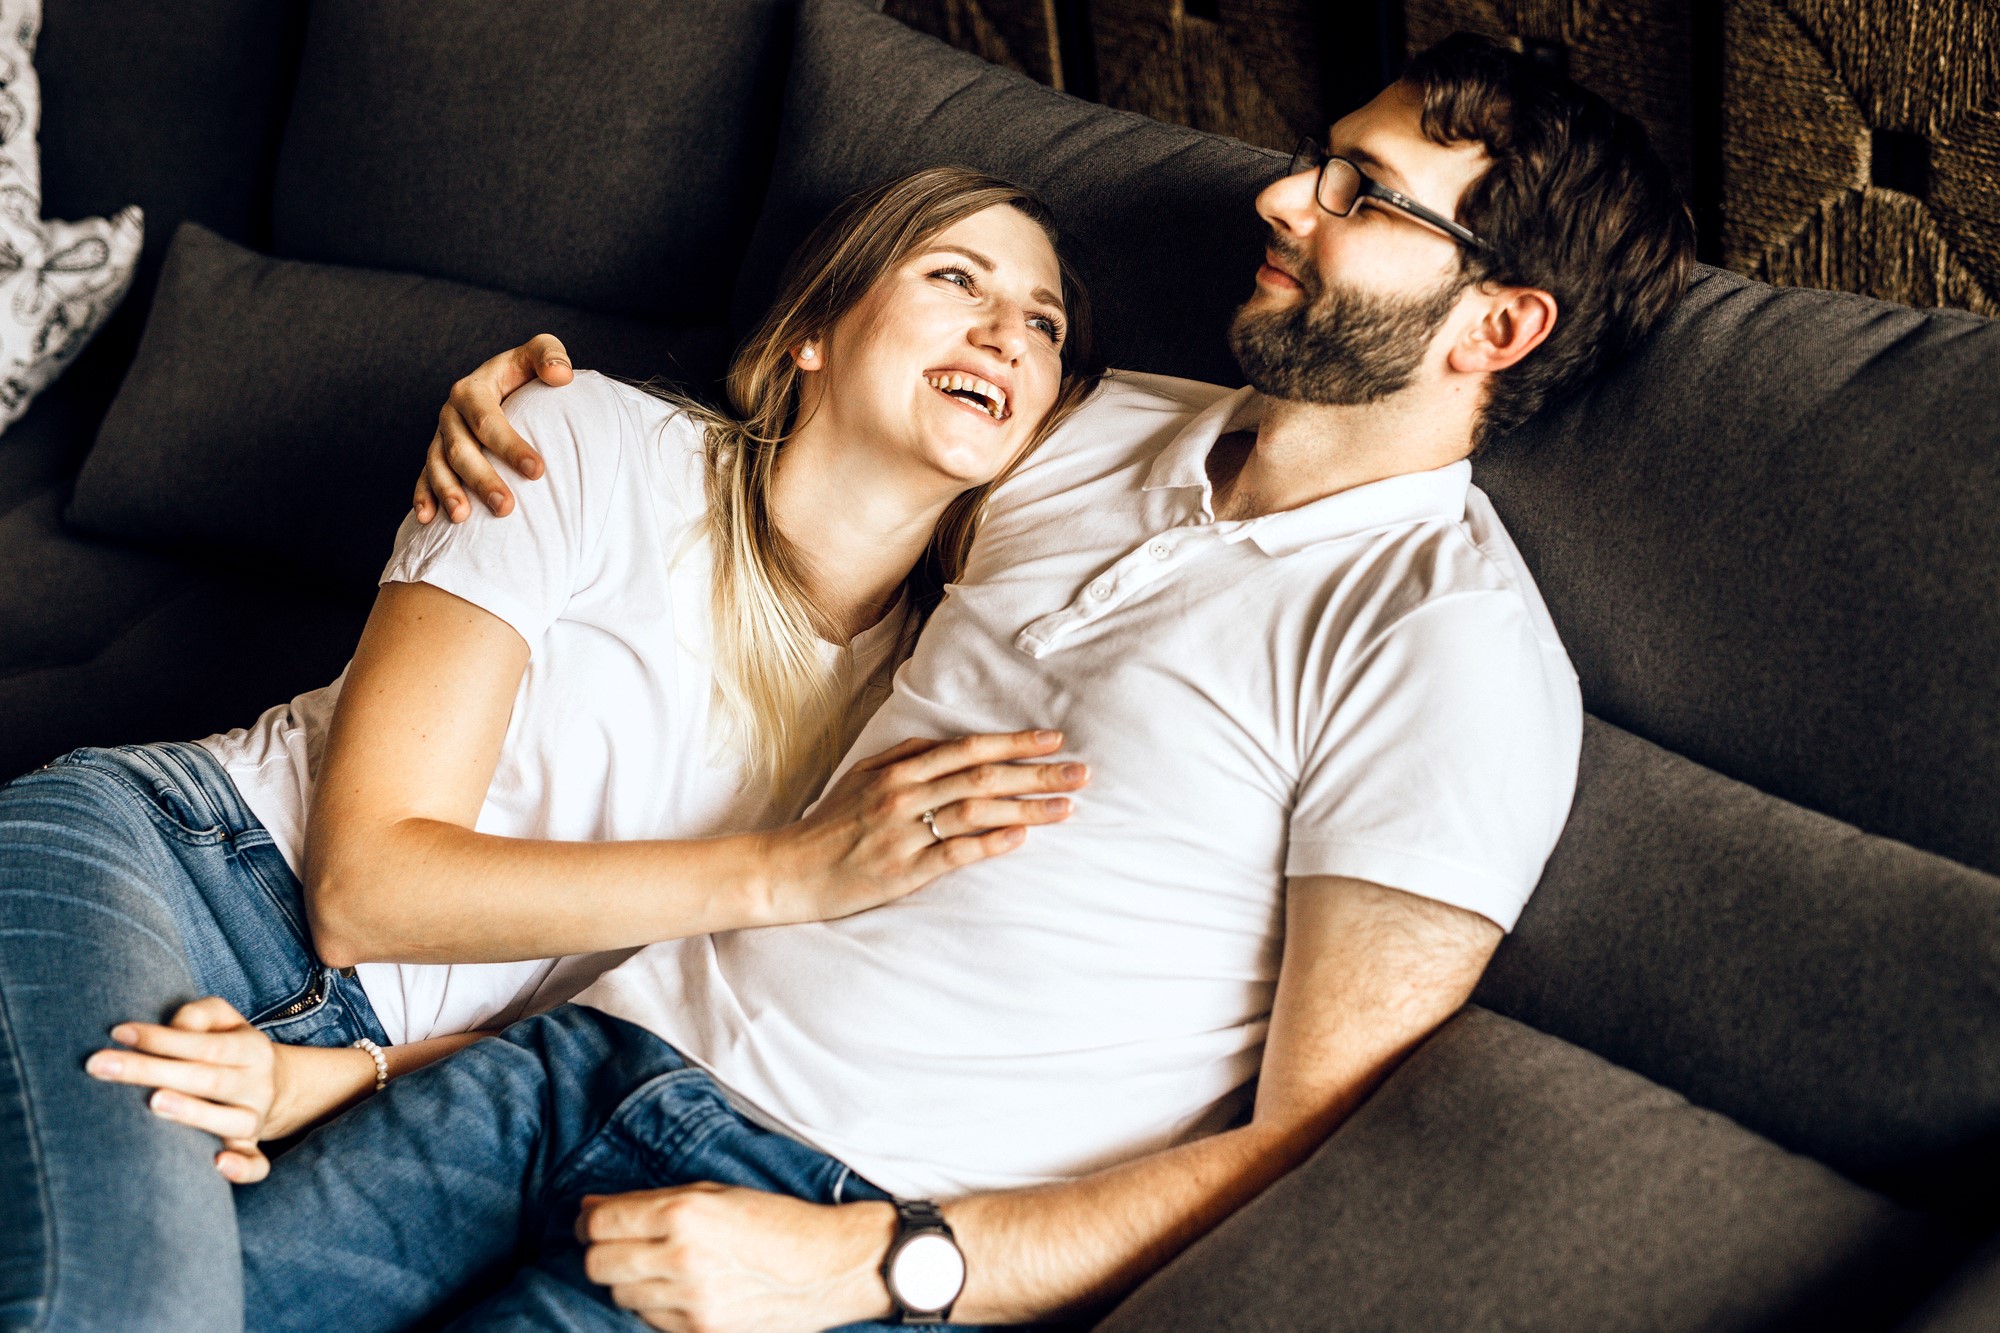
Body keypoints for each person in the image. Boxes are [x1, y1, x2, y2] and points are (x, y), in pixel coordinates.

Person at [237, 34, 1694, 1332]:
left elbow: (1319, 1144)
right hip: (553, 1060)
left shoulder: (1449, 648)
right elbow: (783, 504)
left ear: (1497, 324)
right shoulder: (1090, 426)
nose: (1281, 199)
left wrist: (882, 1266)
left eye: (1360, 196)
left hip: (819, 1217)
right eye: (1317, 163)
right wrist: (514, 417)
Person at [0, 167, 1104, 1332]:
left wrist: (334, 1078)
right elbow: (364, 888)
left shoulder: (934, 689)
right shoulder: (580, 440)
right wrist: (790, 870)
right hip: (185, 875)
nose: (1006, 333)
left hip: (399, 1089)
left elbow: (631, 1012)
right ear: (813, 333)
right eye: (953, 278)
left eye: (1044, 324)